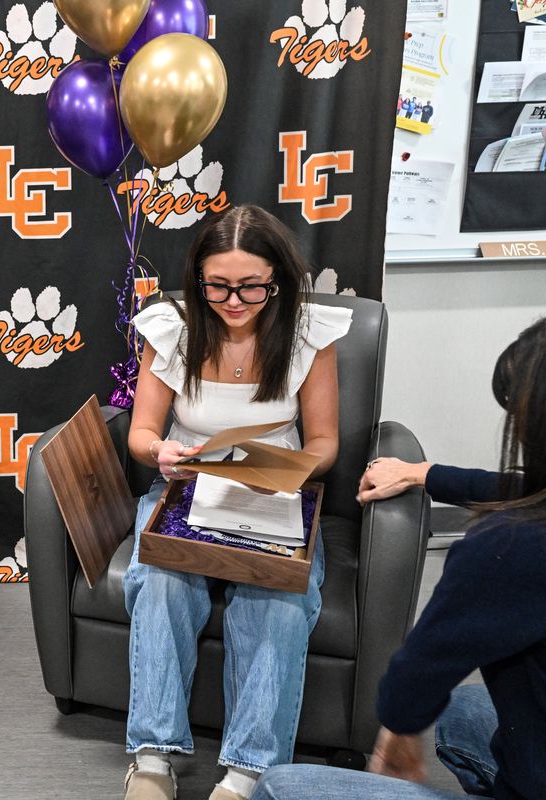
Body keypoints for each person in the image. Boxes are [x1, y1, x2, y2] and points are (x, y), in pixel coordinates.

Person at [252, 317, 546, 800]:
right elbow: (527, 491)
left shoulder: (509, 547)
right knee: (466, 708)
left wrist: (398, 729)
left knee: (280, 788)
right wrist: (425, 473)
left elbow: (419, 670)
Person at [121, 205, 351, 800]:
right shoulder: (171, 329)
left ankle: (248, 773)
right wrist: (162, 452)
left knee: (278, 600)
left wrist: (290, 469)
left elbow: (325, 442)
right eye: (218, 285)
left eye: (252, 285)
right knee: (161, 583)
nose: (234, 299)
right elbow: (141, 432)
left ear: (278, 278)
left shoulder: (307, 335)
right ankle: (152, 760)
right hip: (188, 489)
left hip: (276, 494)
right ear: (198, 279)